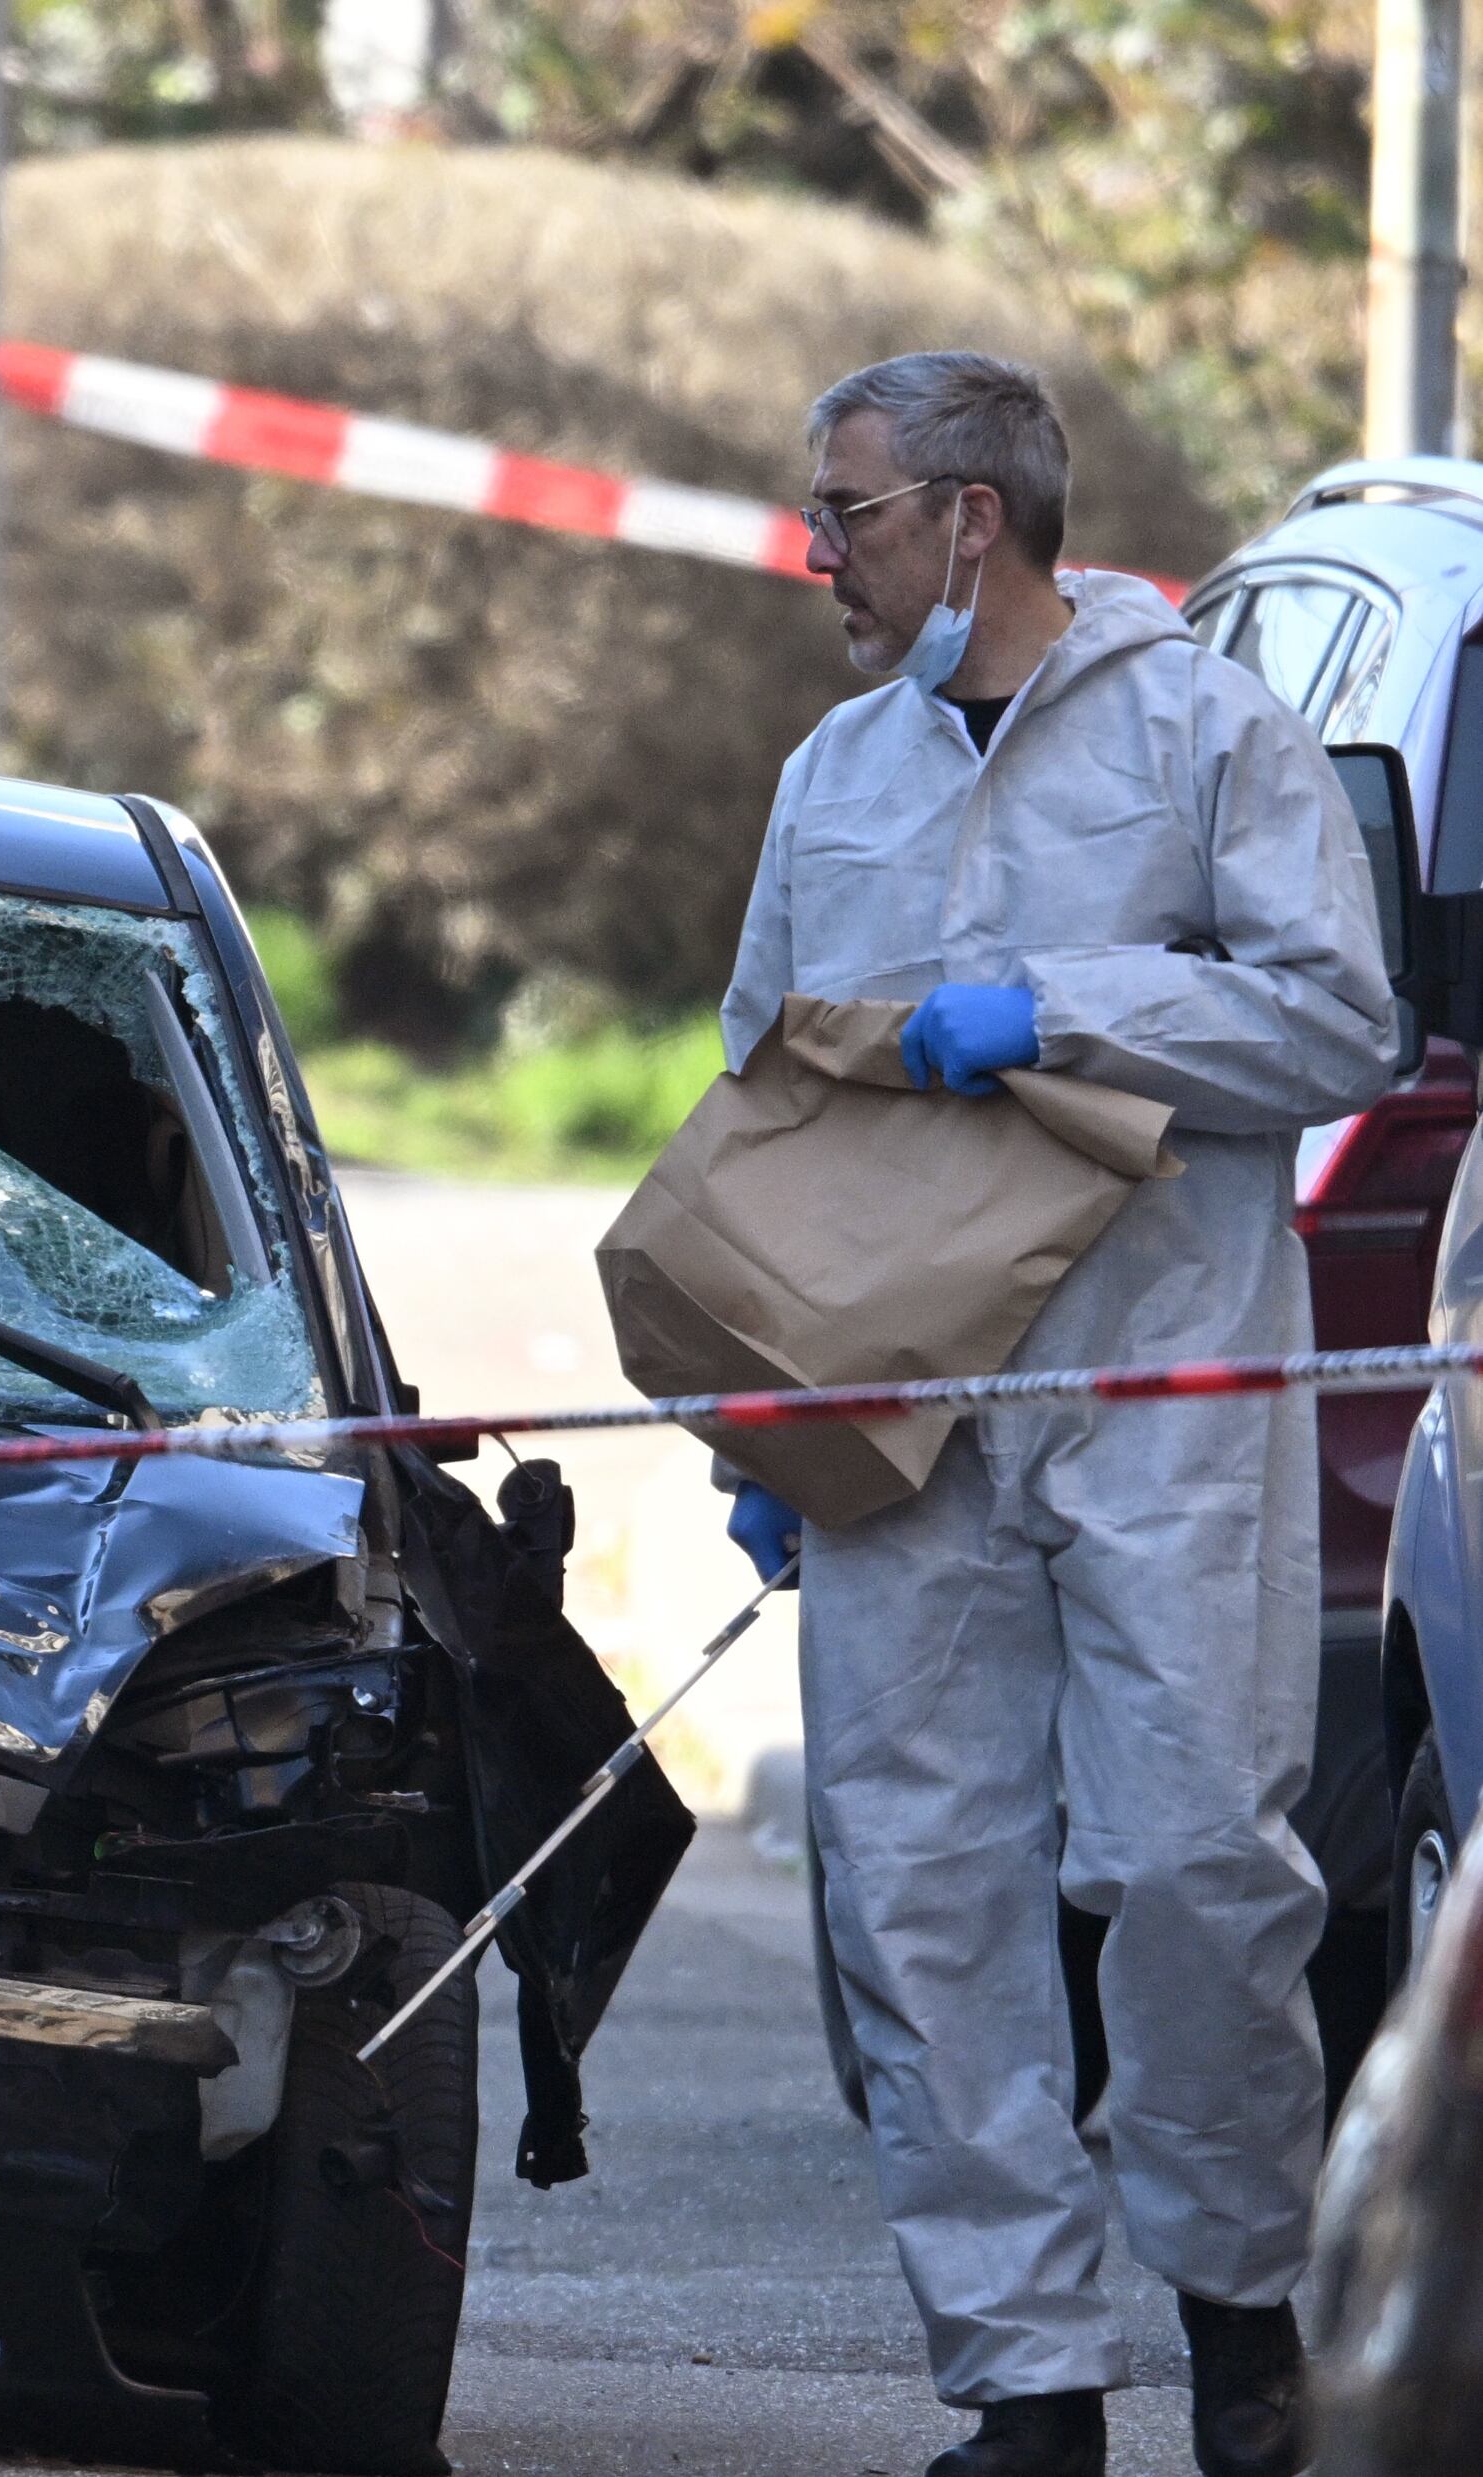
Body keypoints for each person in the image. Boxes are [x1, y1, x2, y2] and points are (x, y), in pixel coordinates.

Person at [721, 352, 1389, 2477]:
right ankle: (1023, 2387)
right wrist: (765, 1423)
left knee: (1197, 1857)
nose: (816, 553)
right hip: (903, 1413)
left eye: (845, 511)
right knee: (917, 1887)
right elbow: (761, 1089)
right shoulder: (834, 775)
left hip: (1159, 1392)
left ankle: (1238, 2320)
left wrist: (1065, 1012)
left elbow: (1338, 1022)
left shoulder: (1207, 732)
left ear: (969, 517)